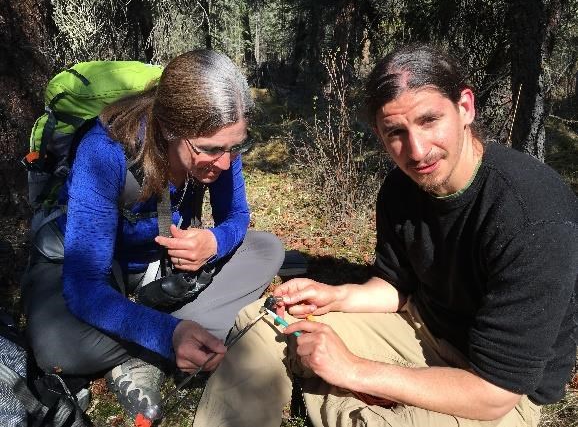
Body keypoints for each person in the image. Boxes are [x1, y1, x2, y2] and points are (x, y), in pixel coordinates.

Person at [191, 43, 578, 427]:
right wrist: (337, 295)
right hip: (423, 331)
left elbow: (496, 393)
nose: (418, 150)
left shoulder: (532, 215)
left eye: (429, 120)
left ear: (465, 107)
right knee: (269, 324)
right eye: (396, 131)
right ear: (379, 132)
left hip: (499, 390)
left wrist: (353, 370)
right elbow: (397, 286)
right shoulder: (401, 188)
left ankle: (342, 395)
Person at [21, 49, 284, 419]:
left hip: (162, 272)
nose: (225, 163)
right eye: (210, 150)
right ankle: (172, 337)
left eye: (235, 147)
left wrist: (213, 242)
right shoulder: (105, 150)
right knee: (56, 347)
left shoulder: (220, 145)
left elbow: (237, 216)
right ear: (168, 128)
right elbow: (84, 285)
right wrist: (165, 333)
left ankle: (149, 336)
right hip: (99, 268)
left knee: (267, 250)